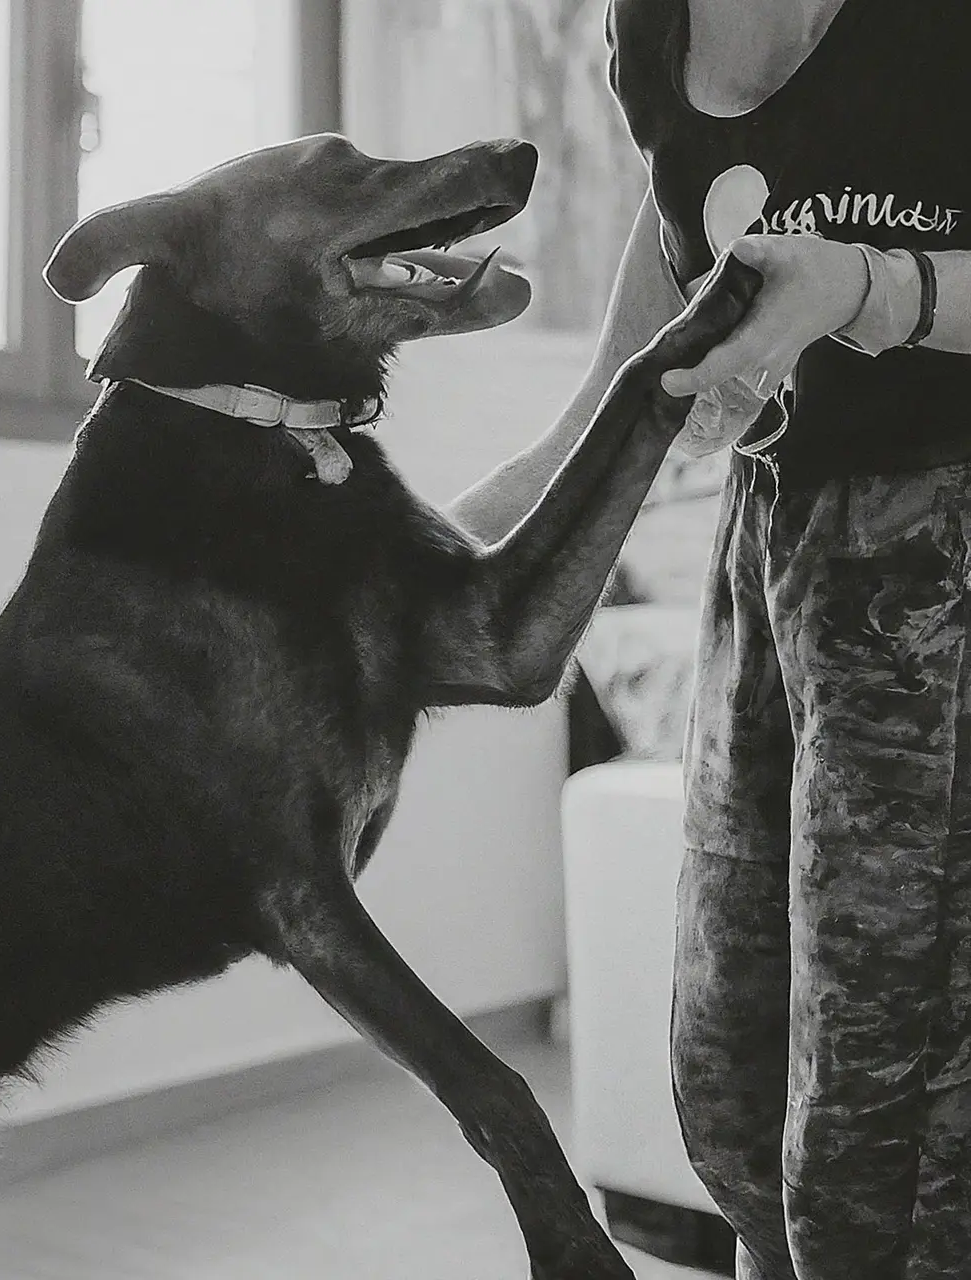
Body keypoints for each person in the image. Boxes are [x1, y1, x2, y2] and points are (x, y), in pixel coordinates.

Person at [450, 1, 971, 1276]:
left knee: (886, 1116)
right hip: (777, 544)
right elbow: (682, 220)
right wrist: (515, 490)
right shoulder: (651, 26)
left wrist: (865, 285)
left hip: (945, 551)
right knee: (736, 1067)